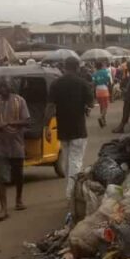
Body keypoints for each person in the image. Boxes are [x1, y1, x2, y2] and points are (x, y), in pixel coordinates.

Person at [46, 57, 94, 200]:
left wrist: (46, 127)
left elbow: (50, 107)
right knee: (76, 162)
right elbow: (90, 104)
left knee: (68, 162)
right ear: (77, 67)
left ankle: (69, 190)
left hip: (63, 130)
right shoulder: (83, 83)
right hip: (78, 130)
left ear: (65, 67)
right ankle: (72, 193)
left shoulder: (56, 84)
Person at [0, 77, 31, 221]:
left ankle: (18, 200)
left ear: (11, 87)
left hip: (17, 143)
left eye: (6, 86)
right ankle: (3, 209)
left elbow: (27, 121)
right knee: (1, 177)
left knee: (18, 175)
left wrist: (10, 122)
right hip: (1, 144)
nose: (3, 88)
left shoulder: (20, 101)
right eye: (1, 86)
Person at [113, 60, 130, 133]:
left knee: (126, 111)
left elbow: (129, 86)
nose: (127, 67)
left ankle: (122, 127)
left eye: (128, 66)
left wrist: (124, 90)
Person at [92, 59, 111, 127]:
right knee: (105, 106)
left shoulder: (94, 74)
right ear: (102, 66)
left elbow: (93, 84)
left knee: (101, 106)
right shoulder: (106, 72)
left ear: (96, 67)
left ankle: (104, 121)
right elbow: (109, 81)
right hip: (104, 89)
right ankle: (101, 117)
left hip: (98, 91)